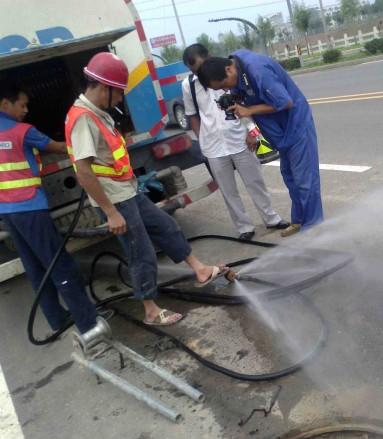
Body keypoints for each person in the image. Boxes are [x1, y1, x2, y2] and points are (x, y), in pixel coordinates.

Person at [65, 52, 224, 326]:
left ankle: (199, 269)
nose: (120, 99)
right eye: (118, 93)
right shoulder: (83, 119)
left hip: (128, 192)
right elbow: (84, 172)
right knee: (141, 254)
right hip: (117, 202)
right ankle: (150, 310)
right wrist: (111, 213)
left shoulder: (97, 114)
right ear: (105, 87)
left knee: (167, 227)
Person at [0, 83, 98, 334]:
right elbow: (55, 146)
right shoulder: (23, 131)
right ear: (5, 104)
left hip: (8, 212)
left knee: (35, 268)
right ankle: (89, 321)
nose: (25, 109)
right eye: (21, 105)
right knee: (59, 263)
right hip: (30, 207)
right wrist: (84, 145)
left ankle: (57, 319)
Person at [200, 49, 324, 237]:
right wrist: (251, 131)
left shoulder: (258, 70)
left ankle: (314, 228)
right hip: (281, 133)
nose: (225, 90)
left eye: (224, 85)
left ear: (229, 69)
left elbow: (285, 102)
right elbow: (247, 100)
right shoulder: (237, 71)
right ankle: (300, 221)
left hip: (296, 127)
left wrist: (249, 110)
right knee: (290, 177)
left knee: (305, 180)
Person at [181, 44, 289, 241]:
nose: (199, 73)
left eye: (200, 67)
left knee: (255, 182)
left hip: (239, 138)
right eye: (194, 70)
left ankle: (271, 218)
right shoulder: (188, 85)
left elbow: (245, 106)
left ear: (210, 58)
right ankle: (244, 227)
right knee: (228, 190)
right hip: (213, 146)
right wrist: (202, 140)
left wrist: (252, 132)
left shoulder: (230, 76)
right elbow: (192, 116)